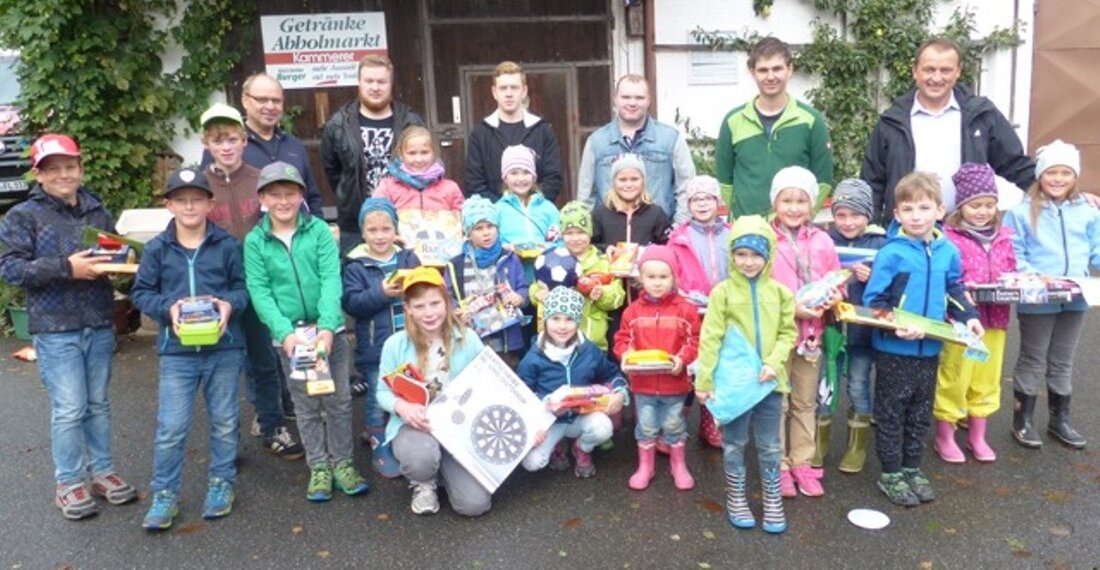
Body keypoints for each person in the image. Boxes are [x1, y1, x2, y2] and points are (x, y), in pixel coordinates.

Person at [0, 134, 137, 519]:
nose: (63, 174)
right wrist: (67, 268)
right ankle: (69, 482)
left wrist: (126, 266)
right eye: (53, 168)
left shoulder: (97, 210)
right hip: (55, 327)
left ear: (80, 168)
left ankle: (103, 472)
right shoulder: (23, 216)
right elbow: (10, 269)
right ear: (39, 174)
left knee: (97, 403)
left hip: (97, 318)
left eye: (70, 166)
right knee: (69, 408)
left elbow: (112, 258)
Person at [130, 168, 248, 530]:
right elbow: (141, 293)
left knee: (225, 422)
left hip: (224, 349)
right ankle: (165, 493)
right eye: (181, 199)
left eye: (197, 198)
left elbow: (243, 289)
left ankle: (221, 483)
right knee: (171, 427)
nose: (190, 205)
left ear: (210, 203)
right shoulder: (156, 249)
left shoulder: (227, 245)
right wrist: (170, 309)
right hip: (177, 353)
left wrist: (228, 304)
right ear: (169, 205)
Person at [244, 162, 369, 502]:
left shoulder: (319, 232)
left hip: (330, 331)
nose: (283, 201)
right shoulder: (256, 241)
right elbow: (260, 290)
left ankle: (342, 462)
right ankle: (319, 466)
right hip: (293, 338)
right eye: (275, 194)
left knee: (339, 399)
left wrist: (329, 326)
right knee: (305, 402)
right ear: (262, 198)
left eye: (290, 193)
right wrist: (284, 333)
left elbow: (331, 279)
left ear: (301, 195)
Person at [863, 171, 982, 507]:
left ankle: (912, 468)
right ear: (897, 214)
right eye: (908, 209)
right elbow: (874, 303)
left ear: (940, 211)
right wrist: (895, 326)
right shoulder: (891, 253)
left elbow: (954, 290)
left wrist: (969, 318)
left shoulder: (948, 252)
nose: (917, 216)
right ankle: (890, 474)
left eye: (924, 208)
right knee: (891, 413)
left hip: (930, 349)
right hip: (893, 350)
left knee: (919, 413)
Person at [199, 102, 303, 461]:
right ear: (206, 143)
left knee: (264, 359)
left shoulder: (261, 180)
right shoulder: (201, 186)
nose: (226, 147)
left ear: (244, 140)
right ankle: (226, 441)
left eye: (232, 139)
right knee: (226, 362)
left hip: (260, 284)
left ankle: (272, 424)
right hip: (219, 287)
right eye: (217, 141)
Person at [694, 215, 797, 534]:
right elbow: (709, 337)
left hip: (769, 382)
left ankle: (772, 499)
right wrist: (704, 380)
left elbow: (787, 333)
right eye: (740, 254)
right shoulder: (722, 293)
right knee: (734, 442)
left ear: (767, 256)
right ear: (732, 255)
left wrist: (775, 362)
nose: (748, 262)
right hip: (735, 384)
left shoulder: (781, 293)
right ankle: (736, 496)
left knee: (769, 446)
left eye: (755, 254)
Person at [861, 37, 1035, 225]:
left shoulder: (981, 115)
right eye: (929, 69)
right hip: (909, 231)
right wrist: (870, 229)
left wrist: (1052, 194)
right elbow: (872, 181)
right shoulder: (892, 121)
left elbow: (1014, 163)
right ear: (915, 71)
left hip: (965, 230)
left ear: (958, 71)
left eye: (945, 70)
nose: (936, 78)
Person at [1004, 140, 1099, 450]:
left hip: (1076, 296)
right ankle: (1023, 420)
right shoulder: (1020, 212)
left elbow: (1096, 251)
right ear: (1040, 175)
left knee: (1063, 359)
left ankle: (1059, 420)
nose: (1058, 179)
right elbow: (1013, 253)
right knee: (1033, 358)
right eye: (1051, 172)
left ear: (1075, 176)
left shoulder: (1087, 210)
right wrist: (1032, 273)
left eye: (1066, 173)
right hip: (1038, 296)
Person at [376, 267, 489, 516]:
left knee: (475, 505)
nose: (429, 313)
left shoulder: (467, 339)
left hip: (457, 426)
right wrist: (403, 408)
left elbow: (488, 383)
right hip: (416, 425)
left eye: (435, 303)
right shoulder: (395, 344)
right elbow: (382, 393)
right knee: (421, 459)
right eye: (419, 306)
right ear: (408, 309)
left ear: (447, 303)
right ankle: (424, 482)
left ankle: (445, 470)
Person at [932, 163, 1015, 464]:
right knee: (956, 374)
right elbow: (946, 278)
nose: (982, 211)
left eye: (989, 205)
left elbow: (1013, 271)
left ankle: (978, 435)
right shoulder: (950, 238)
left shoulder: (1005, 235)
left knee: (987, 376)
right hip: (961, 323)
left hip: (996, 320)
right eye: (975, 205)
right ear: (962, 206)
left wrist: (1015, 283)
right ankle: (945, 434)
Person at [767, 166, 841, 497]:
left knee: (805, 402)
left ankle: (802, 462)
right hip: (775, 336)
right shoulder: (766, 239)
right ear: (775, 203)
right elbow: (758, 288)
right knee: (776, 402)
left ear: (812, 205)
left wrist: (834, 296)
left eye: (801, 200)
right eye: (787, 200)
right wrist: (791, 309)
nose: (794, 207)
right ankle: (778, 465)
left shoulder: (823, 240)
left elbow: (835, 279)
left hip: (812, 336)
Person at [342, 197, 420, 477]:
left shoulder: (408, 257)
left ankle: (401, 434)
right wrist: (381, 293)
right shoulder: (356, 266)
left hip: (411, 340)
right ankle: (379, 442)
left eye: (386, 229)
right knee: (377, 396)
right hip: (376, 345)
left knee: (408, 389)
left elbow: (422, 291)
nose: (380, 236)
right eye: (372, 231)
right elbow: (352, 304)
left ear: (395, 230)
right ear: (363, 232)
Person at [613, 245, 701, 491]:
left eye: (664, 277)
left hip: (675, 383)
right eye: (651, 277)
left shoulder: (686, 309)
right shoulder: (632, 312)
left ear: (674, 277)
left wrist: (682, 360)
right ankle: (646, 466)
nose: (657, 283)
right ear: (640, 278)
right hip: (643, 385)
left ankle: (678, 464)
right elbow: (622, 340)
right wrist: (626, 355)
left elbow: (695, 341)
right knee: (647, 425)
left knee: (674, 424)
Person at [715, 37, 834, 218]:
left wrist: (800, 217)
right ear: (752, 72)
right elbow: (725, 183)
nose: (770, 77)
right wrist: (741, 218)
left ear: (790, 69)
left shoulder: (811, 120)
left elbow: (823, 181)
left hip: (792, 232)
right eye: (763, 70)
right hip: (746, 232)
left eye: (777, 68)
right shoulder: (733, 121)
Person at [519, 286, 627, 478]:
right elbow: (522, 395)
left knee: (604, 428)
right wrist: (545, 406)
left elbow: (612, 373)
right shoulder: (533, 357)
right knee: (532, 462)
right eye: (555, 318)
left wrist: (619, 392)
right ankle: (556, 447)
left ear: (577, 321)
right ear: (546, 320)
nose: (562, 326)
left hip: (580, 415)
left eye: (569, 319)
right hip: (550, 421)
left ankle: (581, 448)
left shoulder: (588, 349)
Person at [816, 179, 886, 474]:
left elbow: (892, 287)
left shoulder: (881, 244)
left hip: (862, 331)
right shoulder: (823, 240)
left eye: (855, 215)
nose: (847, 222)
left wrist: (873, 277)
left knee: (858, 385)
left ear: (868, 215)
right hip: (829, 329)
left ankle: (856, 447)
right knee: (824, 385)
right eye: (841, 215)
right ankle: (818, 443)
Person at [322, 55, 425, 254]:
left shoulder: (411, 121)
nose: (375, 87)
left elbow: (423, 167)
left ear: (390, 83)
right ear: (359, 83)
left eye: (381, 81)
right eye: (369, 81)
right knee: (358, 281)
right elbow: (333, 171)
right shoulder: (338, 124)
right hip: (355, 226)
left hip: (404, 223)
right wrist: (350, 195)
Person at [666, 175, 731, 449]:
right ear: (688, 204)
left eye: (708, 198)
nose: (702, 204)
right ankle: (676, 422)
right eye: (696, 199)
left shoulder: (732, 233)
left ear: (718, 202)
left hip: (724, 313)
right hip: (691, 312)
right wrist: (685, 297)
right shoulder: (678, 238)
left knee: (716, 368)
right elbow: (672, 275)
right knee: (689, 367)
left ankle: (710, 421)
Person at [576, 74, 696, 222]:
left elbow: (687, 188)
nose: (632, 103)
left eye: (639, 98)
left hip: (659, 236)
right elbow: (585, 196)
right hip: (610, 237)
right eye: (626, 97)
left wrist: (677, 230)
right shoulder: (597, 142)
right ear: (615, 100)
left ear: (649, 101)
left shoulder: (671, 139)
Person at [200, 74, 324, 215]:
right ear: (245, 100)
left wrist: (318, 231)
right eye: (262, 99)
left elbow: (312, 196)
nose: (270, 106)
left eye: (276, 101)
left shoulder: (294, 145)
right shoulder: (227, 148)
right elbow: (207, 194)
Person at [530, 201, 626, 352]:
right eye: (569, 233)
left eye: (581, 232)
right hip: (557, 343)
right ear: (561, 235)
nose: (575, 238)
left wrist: (602, 294)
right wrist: (537, 294)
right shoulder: (550, 259)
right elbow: (536, 286)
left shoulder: (604, 261)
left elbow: (618, 297)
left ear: (590, 232)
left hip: (592, 340)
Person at [444, 196, 530, 364]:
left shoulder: (510, 258)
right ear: (468, 233)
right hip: (470, 340)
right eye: (478, 228)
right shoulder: (455, 265)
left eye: (490, 226)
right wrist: (456, 311)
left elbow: (523, 287)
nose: (486, 233)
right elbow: (447, 296)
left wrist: (519, 297)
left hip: (506, 341)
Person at [464, 61, 563, 202]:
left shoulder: (542, 131)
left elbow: (553, 178)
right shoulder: (480, 134)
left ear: (524, 91)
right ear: (494, 92)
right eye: (503, 88)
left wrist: (530, 206)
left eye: (514, 88)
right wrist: (504, 209)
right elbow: (474, 183)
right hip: (495, 217)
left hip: (535, 215)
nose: (509, 94)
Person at [372, 126, 465, 266]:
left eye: (424, 152)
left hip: (443, 262)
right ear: (401, 154)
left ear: (434, 153)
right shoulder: (387, 187)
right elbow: (374, 216)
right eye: (412, 153)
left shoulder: (450, 188)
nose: (419, 159)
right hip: (400, 259)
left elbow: (463, 221)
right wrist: (391, 236)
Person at [496, 144, 561, 282]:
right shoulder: (497, 210)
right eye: (514, 173)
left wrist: (545, 248)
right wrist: (507, 248)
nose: (521, 178)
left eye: (526, 172)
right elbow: (492, 242)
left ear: (534, 176)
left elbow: (560, 241)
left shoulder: (548, 208)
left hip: (545, 279)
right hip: (512, 280)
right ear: (505, 177)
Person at [592, 153, 671, 253]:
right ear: (613, 182)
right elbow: (590, 246)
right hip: (609, 267)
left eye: (634, 179)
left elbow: (667, 247)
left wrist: (646, 252)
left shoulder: (656, 213)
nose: (628, 185)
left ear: (643, 181)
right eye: (622, 180)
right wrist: (606, 249)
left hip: (645, 267)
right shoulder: (600, 214)